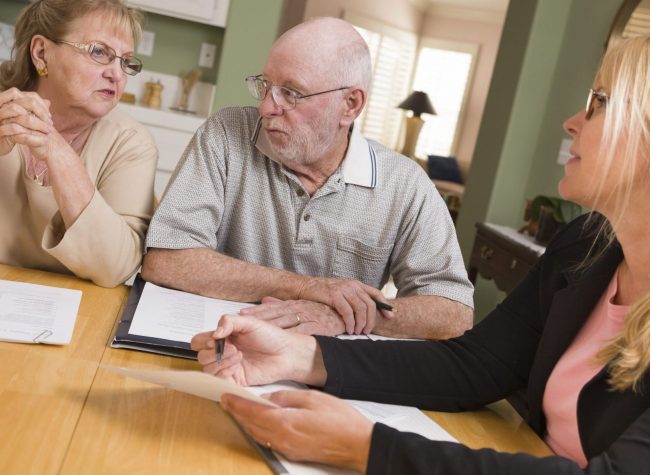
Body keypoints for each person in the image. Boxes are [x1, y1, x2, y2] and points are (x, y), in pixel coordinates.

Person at [192, 31, 650, 473]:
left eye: (598, 103)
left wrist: (365, 448)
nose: (572, 122)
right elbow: (475, 366)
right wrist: (301, 356)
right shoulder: (584, 245)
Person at [143, 17, 473, 339]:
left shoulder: (405, 185)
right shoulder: (226, 134)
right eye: (266, 86)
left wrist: (344, 315)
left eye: (291, 93)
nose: (266, 108)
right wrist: (306, 288)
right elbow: (166, 260)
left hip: (328, 365)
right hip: (224, 341)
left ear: (350, 105)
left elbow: (454, 313)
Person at [0, 0, 156, 288]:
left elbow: (115, 268)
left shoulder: (131, 144)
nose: (117, 75)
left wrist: (57, 151)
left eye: (125, 61)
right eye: (99, 52)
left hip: (70, 309)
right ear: (42, 53)